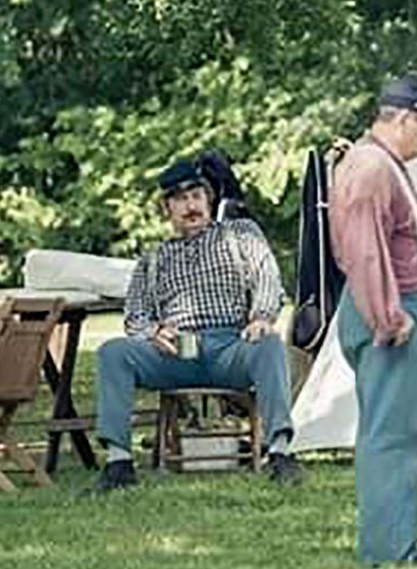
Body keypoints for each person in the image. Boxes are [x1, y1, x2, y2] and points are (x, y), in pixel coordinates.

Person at [94, 160, 301, 490]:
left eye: (196, 196)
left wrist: (262, 317)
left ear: (208, 199)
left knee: (270, 344)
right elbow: (135, 315)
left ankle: (281, 452)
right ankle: (119, 462)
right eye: (180, 200)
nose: (190, 206)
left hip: (230, 347)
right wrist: (153, 333)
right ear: (167, 209)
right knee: (112, 352)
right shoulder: (154, 258)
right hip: (175, 353)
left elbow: (267, 275)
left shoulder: (239, 233)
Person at [329, 74, 417, 565]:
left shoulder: (382, 165)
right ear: (407, 118)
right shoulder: (371, 169)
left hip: (407, 307)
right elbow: (365, 252)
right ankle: (388, 552)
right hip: (393, 312)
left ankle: (395, 543)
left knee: (405, 430)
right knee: (393, 435)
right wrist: (388, 316)